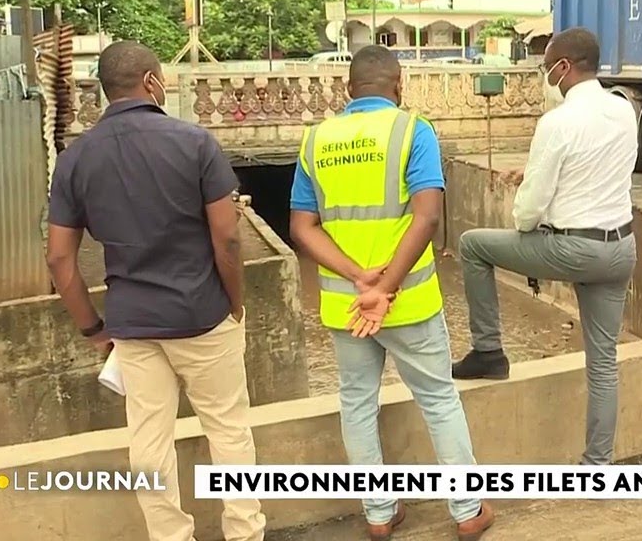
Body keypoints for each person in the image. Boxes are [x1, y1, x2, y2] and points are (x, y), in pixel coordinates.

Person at [46, 41, 265, 541]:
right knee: (228, 429)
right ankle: (245, 532)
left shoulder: (76, 159)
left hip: (132, 324)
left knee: (148, 440)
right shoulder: (194, 143)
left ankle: (170, 536)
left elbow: (60, 258)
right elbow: (227, 236)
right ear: (151, 81)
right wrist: (234, 303)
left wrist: (93, 329)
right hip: (202, 313)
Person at [289, 45, 492, 540]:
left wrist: (359, 278)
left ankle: (379, 515)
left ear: (347, 90)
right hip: (408, 302)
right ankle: (467, 511)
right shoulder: (411, 130)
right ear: (398, 86)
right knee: (439, 399)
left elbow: (302, 228)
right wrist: (386, 287)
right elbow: (428, 217)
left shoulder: (315, 141)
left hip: (348, 305)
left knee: (357, 404)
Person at [451, 27, 637, 466]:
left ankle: (489, 351)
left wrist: (529, 198)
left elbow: (528, 213)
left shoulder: (556, 122)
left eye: (547, 66)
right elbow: (588, 174)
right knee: (604, 364)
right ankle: (597, 466)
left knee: (473, 245)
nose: (545, 74)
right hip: (620, 249)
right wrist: (533, 173)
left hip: (574, 250)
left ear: (564, 67)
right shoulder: (624, 110)